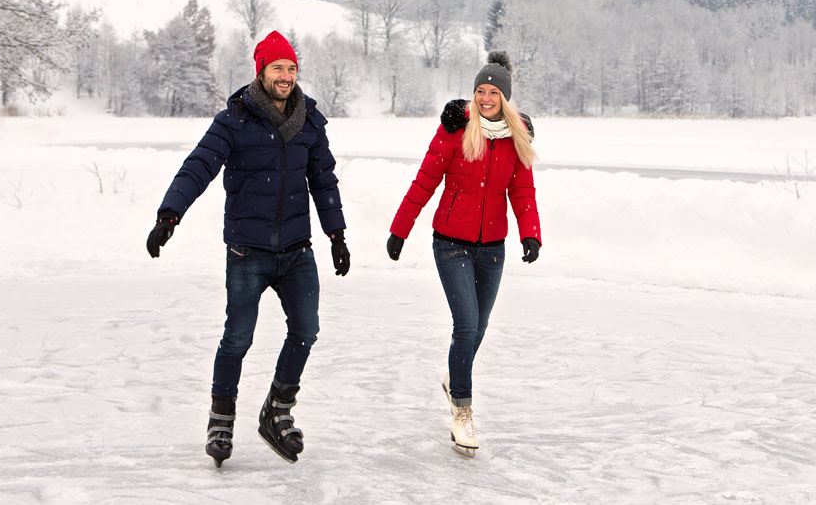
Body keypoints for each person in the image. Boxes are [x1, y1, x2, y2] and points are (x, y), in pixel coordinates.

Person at [145, 30, 351, 467]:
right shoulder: (234, 120)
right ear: (261, 71)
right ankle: (221, 418)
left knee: (307, 330)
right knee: (237, 338)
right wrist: (169, 215)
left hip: (297, 251)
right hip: (247, 251)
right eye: (278, 67)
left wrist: (337, 234)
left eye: (292, 68)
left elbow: (324, 181)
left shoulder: (310, 121)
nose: (286, 76)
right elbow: (197, 167)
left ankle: (277, 410)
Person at [385, 50, 541, 456]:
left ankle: (455, 377)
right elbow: (425, 180)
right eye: (480, 91)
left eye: (493, 92)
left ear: (504, 98)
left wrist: (531, 234)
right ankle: (463, 411)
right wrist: (399, 229)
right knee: (466, 324)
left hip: (492, 247)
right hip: (451, 243)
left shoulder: (514, 138)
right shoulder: (456, 129)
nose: (486, 98)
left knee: (481, 326)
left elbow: (521, 190)